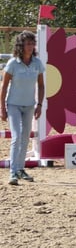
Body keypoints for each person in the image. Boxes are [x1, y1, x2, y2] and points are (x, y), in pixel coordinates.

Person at [1, 31, 45, 185]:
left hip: (30, 106)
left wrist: (39, 104)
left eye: (32, 44)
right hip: (13, 105)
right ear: (21, 45)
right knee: (17, 136)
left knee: (25, 137)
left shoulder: (37, 63)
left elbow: (41, 85)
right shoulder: (13, 63)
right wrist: (2, 108)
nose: (31, 47)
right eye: (28, 44)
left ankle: (21, 169)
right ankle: (13, 172)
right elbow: (4, 86)